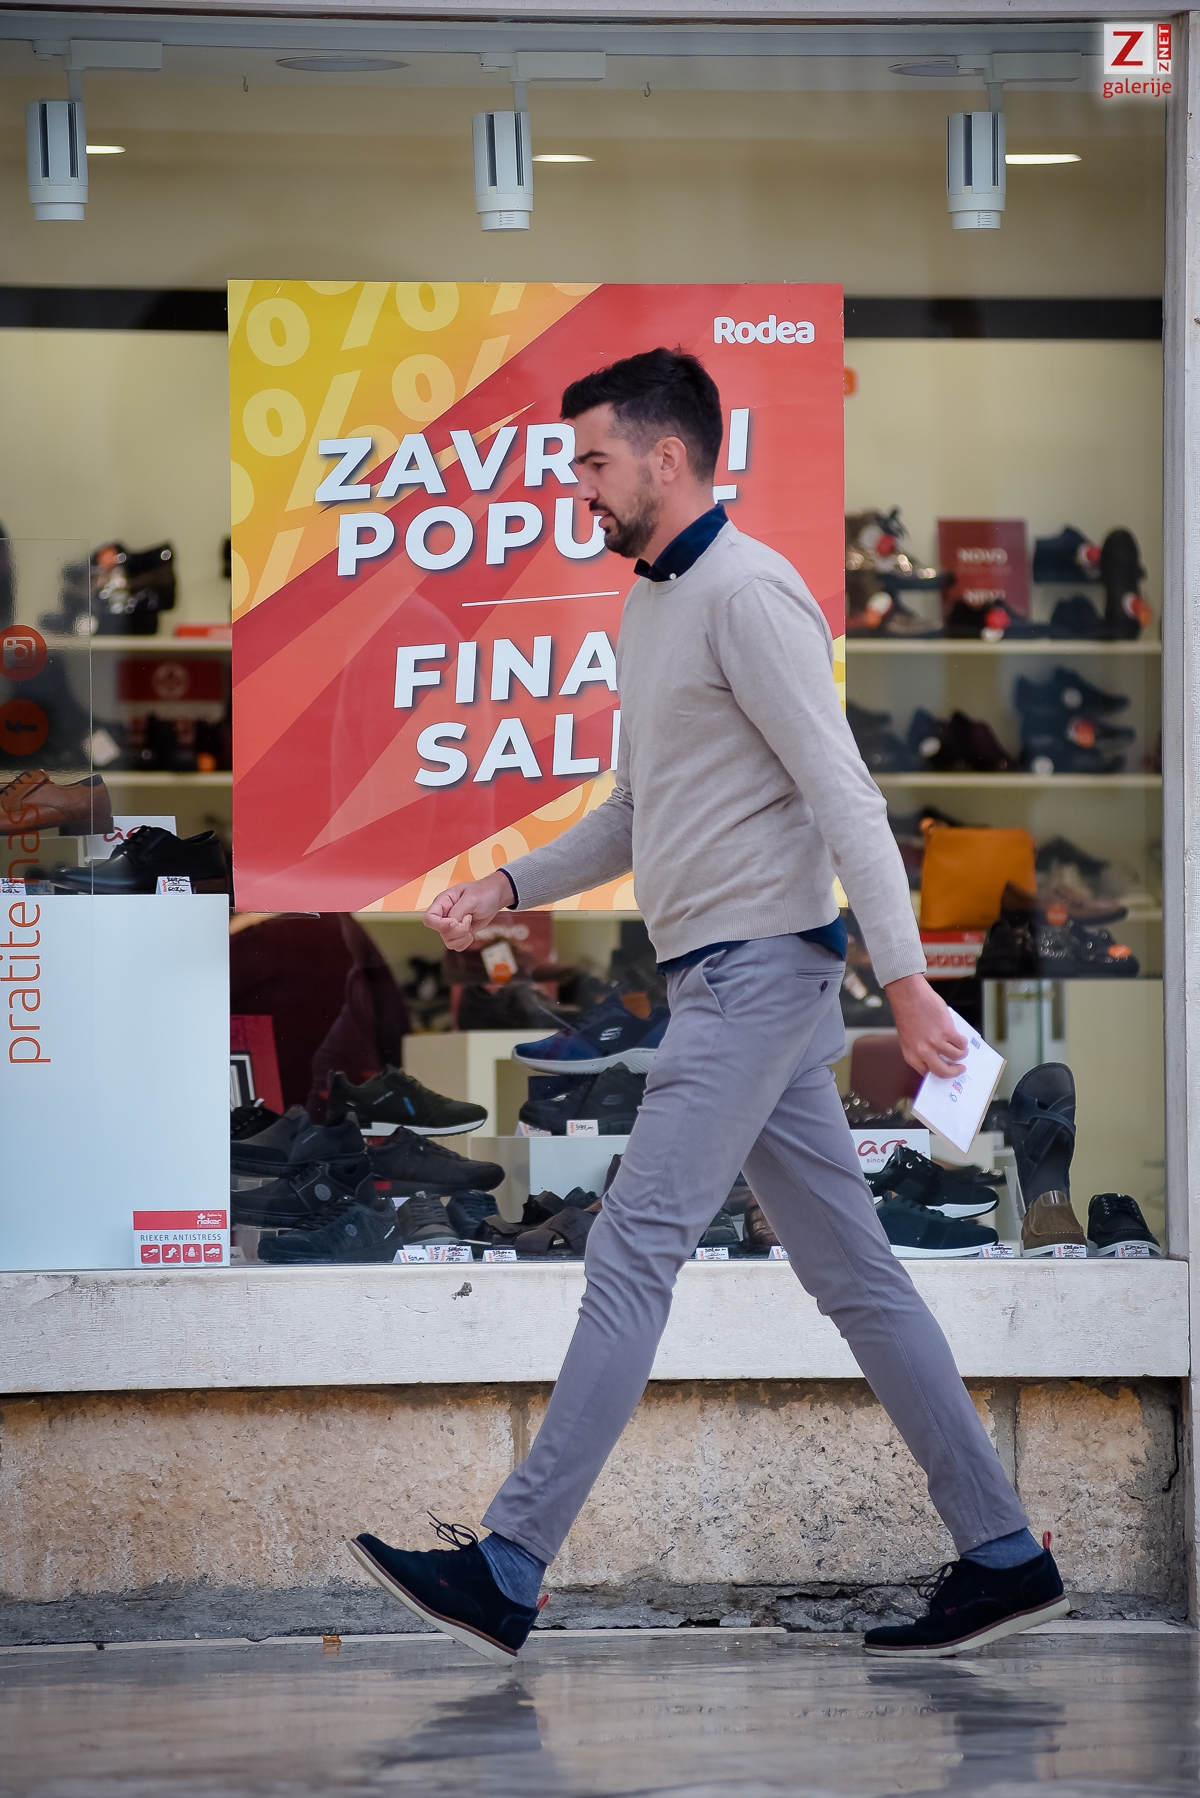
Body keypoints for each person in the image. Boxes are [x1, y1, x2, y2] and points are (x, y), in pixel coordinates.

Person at [348, 347, 1068, 1663]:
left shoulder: (750, 594)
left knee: (632, 1248)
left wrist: (908, 985)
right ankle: (1006, 1553)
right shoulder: (654, 605)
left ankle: (509, 1566)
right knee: (859, 1276)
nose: (579, 486)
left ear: (667, 457)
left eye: (594, 461)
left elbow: (847, 796)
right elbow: (636, 810)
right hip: (733, 981)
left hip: (754, 978)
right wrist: (506, 882)